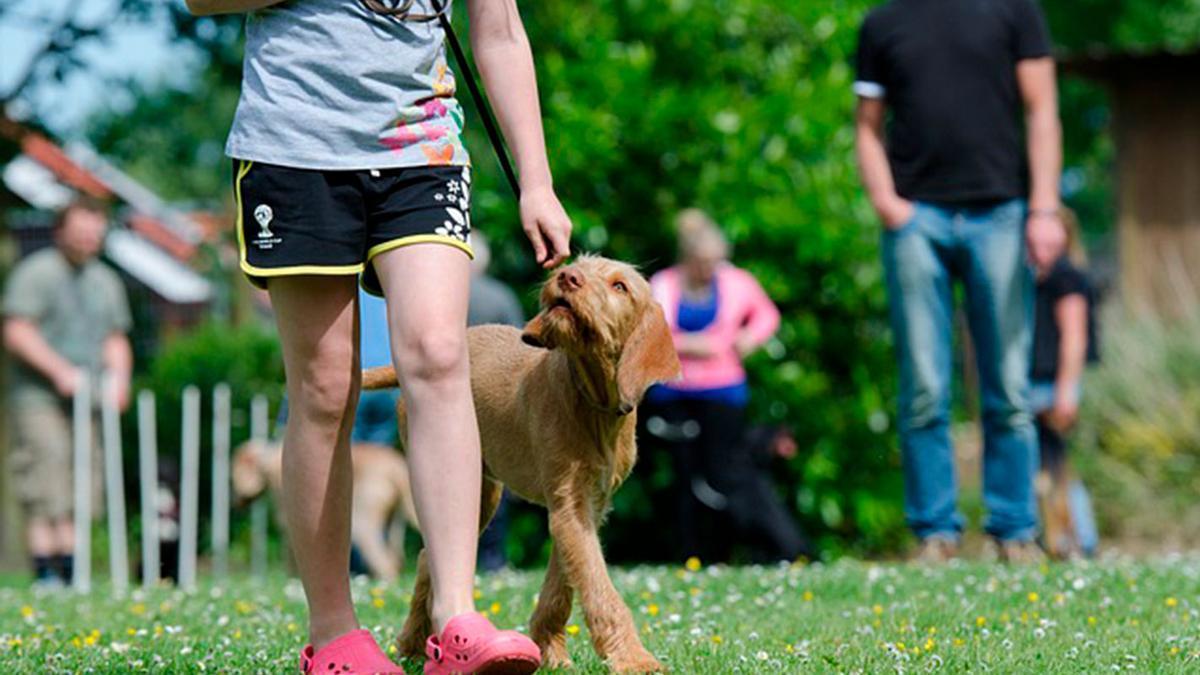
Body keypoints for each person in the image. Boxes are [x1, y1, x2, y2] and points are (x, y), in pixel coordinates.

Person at [188, 0, 572, 672]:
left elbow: (500, 29)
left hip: (422, 148)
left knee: (438, 352)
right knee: (325, 385)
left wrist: (536, 181)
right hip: (294, 144)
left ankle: (455, 617)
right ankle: (334, 633)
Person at [854, 0, 1067, 562]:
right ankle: (935, 534)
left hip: (999, 214)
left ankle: (1015, 530)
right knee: (924, 385)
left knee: (1008, 387)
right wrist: (888, 205)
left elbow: (1042, 109)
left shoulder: (1015, 11)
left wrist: (1044, 207)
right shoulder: (883, 21)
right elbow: (867, 127)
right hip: (915, 220)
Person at [3, 196, 133, 586]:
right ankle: (46, 573)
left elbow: (115, 338)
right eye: (80, 231)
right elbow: (16, 330)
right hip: (38, 398)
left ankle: (74, 571)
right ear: (60, 231)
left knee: (83, 481)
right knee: (46, 477)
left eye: (95, 231)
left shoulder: (105, 280)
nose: (88, 238)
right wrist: (59, 370)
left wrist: (120, 381)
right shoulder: (36, 273)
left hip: (87, 398)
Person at [647, 209, 782, 562]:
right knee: (685, 477)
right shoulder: (663, 284)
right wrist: (693, 345)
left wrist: (748, 338)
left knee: (726, 476)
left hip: (723, 392)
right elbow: (648, 333)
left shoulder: (736, 282)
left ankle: (739, 551)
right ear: (687, 258)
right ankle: (692, 553)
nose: (710, 270)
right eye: (703, 263)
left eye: (715, 262)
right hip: (674, 394)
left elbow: (768, 315)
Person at [1029, 208, 1099, 559]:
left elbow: (1074, 338)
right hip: (1036, 383)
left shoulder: (1066, 278)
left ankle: (1080, 541)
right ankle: (1057, 540)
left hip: (1050, 385)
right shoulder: (1039, 279)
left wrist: (1066, 390)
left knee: (1058, 469)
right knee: (1046, 469)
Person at [464, 232, 525, 573]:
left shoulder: (435, 295)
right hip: (495, 400)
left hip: (450, 396)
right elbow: (521, 346)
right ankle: (492, 559)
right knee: (494, 479)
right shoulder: (500, 295)